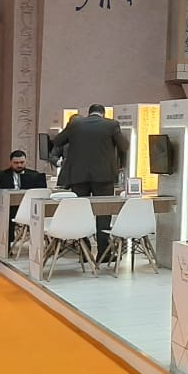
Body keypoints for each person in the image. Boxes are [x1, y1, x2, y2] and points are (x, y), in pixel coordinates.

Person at [50, 104, 128, 260]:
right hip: (104, 176)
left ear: (89, 113)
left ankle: (84, 251)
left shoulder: (76, 124)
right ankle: (104, 253)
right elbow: (124, 146)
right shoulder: (111, 125)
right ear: (103, 113)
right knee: (103, 213)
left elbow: (57, 141)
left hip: (78, 176)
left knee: (80, 213)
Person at [0, 150, 47, 237]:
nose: (19, 165)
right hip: (9, 207)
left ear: (26, 161)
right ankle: (9, 241)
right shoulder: (2, 176)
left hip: (30, 207)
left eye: (22, 162)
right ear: (10, 162)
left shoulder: (35, 175)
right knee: (8, 213)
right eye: (16, 163)